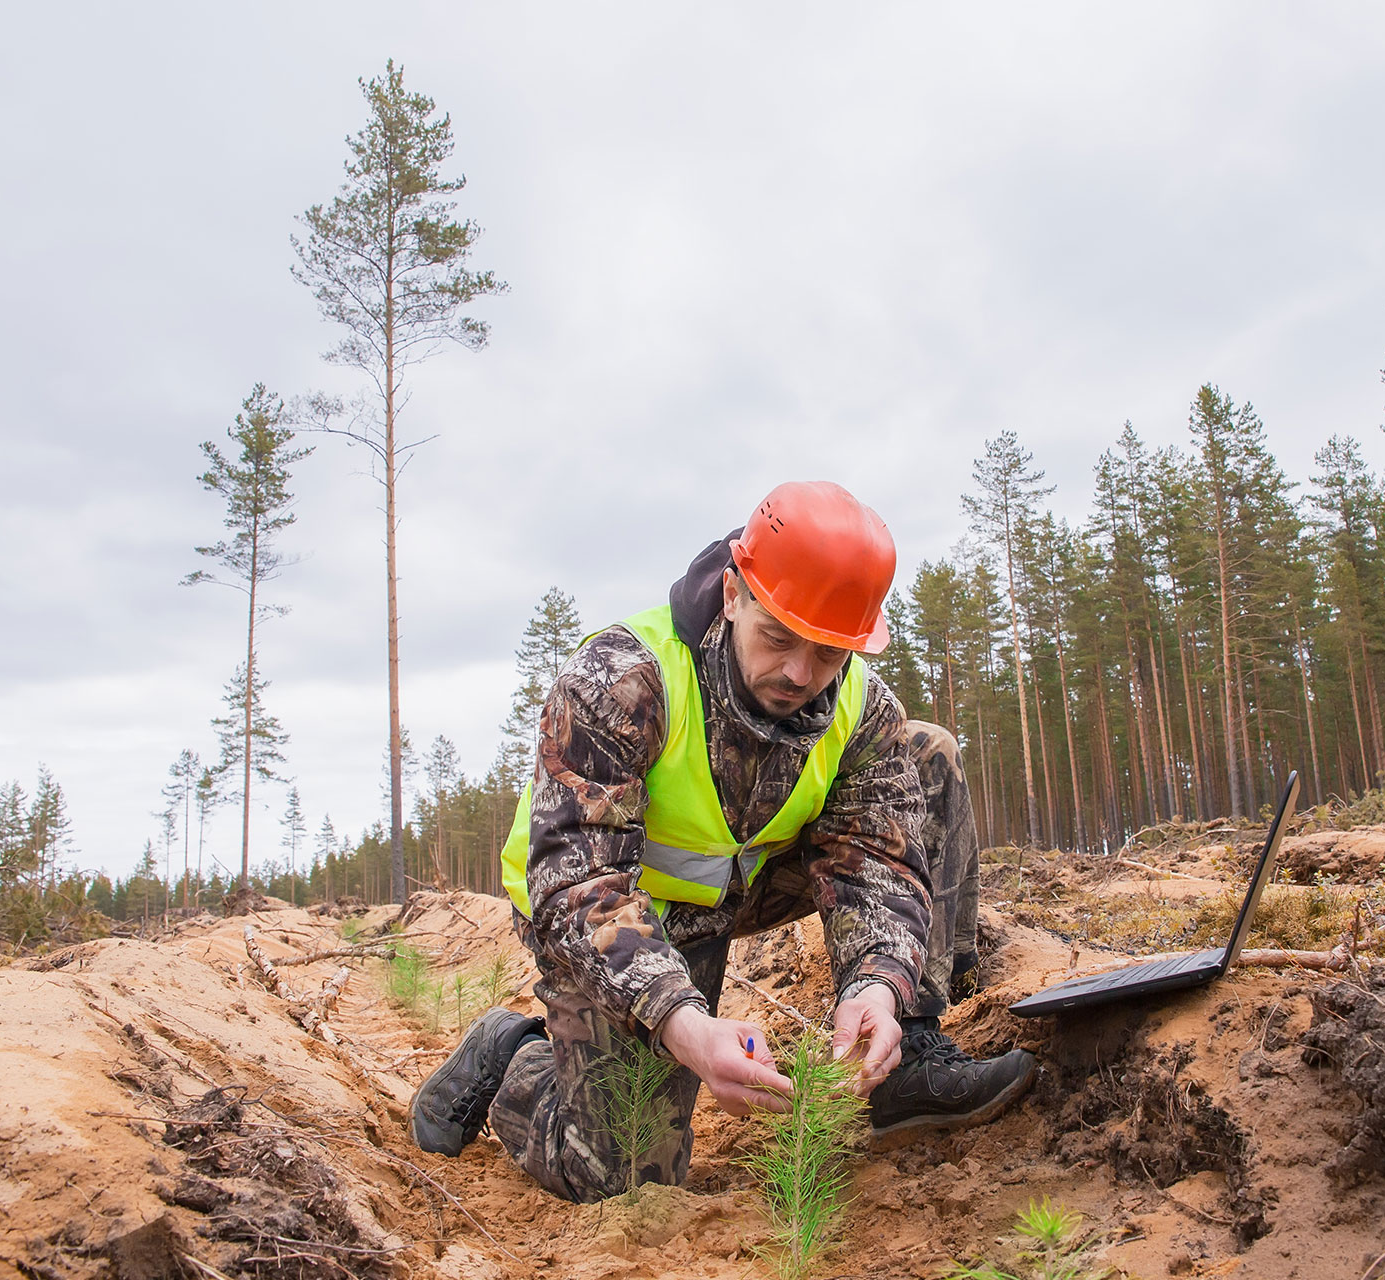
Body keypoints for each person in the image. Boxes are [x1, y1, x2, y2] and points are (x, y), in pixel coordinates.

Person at [410, 480, 1035, 1202]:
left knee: (927, 755)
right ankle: (514, 1053)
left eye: (829, 652)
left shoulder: (863, 708)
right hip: (608, 910)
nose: (800, 675)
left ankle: (908, 1057)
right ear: (735, 594)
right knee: (621, 1175)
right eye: (778, 638)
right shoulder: (620, 682)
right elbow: (580, 885)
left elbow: (878, 858)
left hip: (743, 884)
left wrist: (879, 986)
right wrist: (682, 1021)